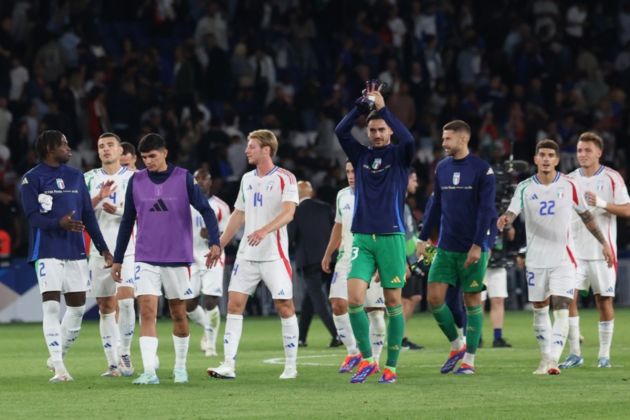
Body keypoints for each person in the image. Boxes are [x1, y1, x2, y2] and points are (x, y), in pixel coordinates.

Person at [111, 133, 221, 385]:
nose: (148, 161)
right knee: (147, 311)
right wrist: (118, 259)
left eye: (152, 156)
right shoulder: (136, 181)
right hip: (145, 257)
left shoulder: (183, 178)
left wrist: (215, 241)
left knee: (178, 313)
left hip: (177, 257)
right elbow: (127, 220)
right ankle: (149, 371)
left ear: (164, 153)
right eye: (144, 157)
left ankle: (180, 367)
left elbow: (206, 209)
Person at [497, 139, 614, 375]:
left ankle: (552, 360)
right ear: (536, 159)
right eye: (543, 155)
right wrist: (505, 219)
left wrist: (603, 243)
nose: (547, 159)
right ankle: (545, 358)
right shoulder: (525, 187)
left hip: (564, 258)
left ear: (557, 160)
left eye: (551, 155)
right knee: (540, 308)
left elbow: (587, 217)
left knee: (561, 305)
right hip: (536, 259)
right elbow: (512, 211)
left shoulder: (570, 185)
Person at [335, 84, 415, 384]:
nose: (378, 134)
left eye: (382, 129)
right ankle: (368, 358)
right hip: (363, 238)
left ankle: (391, 366)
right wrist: (362, 106)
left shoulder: (400, 155)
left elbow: (409, 137)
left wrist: (383, 110)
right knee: (354, 298)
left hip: (391, 237)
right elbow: (340, 131)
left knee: (393, 302)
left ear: (389, 131)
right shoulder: (360, 156)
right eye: (373, 130)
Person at [20, 130, 112, 382]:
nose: (69, 148)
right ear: (50, 148)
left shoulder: (75, 176)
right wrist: (57, 223)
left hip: (75, 251)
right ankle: (60, 368)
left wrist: (103, 247)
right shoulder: (32, 179)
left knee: (78, 308)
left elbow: (88, 215)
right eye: (64, 144)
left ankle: (55, 355)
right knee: (51, 307)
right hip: (47, 250)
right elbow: (32, 217)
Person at [207, 129, 300, 380]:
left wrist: (264, 230)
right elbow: (238, 214)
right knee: (235, 305)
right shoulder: (247, 179)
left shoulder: (285, 178)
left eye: (251, 146)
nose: (246, 150)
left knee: (284, 306)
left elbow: (289, 212)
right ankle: (228, 364)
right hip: (247, 255)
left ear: (266, 150)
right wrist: (220, 245)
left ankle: (290, 366)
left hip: (274, 255)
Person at [417, 120, 496, 375]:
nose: (443, 143)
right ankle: (457, 344)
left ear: (463, 140)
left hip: (472, 247)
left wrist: (477, 245)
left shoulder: (483, 170)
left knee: (472, 300)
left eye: (447, 138)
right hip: (446, 246)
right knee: (434, 299)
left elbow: (486, 211)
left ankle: (470, 360)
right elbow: (436, 205)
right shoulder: (441, 168)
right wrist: (422, 237)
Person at [560, 132, 630, 369]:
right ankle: (575, 353)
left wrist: (601, 203)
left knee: (604, 301)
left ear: (599, 152)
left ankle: (604, 356)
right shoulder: (569, 180)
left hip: (602, 252)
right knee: (568, 298)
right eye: (579, 150)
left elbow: (627, 210)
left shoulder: (612, 178)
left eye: (588, 150)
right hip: (574, 252)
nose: (582, 154)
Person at [322, 160, 387, 374]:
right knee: (338, 304)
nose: (351, 176)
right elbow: (338, 226)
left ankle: (374, 360)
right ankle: (353, 352)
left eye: (354, 172)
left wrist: (382, 261)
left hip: (371, 258)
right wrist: (328, 252)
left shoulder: (377, 194)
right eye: (348, 171)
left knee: (374, 313)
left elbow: (387, 230)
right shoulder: (342, 195)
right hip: (346, 258)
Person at [84, 132, 136, 376]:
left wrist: (118, 211)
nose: (105, 149)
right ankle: (113, 363)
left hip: (128, 248)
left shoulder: (135, 178)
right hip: (98, 249)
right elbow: (78, 212)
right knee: (105, 306)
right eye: (101, 146)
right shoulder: (89, 178)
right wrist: (98, 198)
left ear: (120, 150)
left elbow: (144, 213)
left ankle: (125, 353)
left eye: (110, 145)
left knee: (125, 302)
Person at [289, 180, 338, 347]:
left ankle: (337, 334)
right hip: (330, 259)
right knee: (310, 299)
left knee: (318, 299)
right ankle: (301, 337)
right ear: (311, 193)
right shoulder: (325, 208)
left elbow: (290, 237)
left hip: (309, 261)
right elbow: (336, 231)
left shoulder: (294, 211)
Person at [187, 168, 230, 357]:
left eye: (205, 179)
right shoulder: (185, 204)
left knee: (211, 301)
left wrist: (214, 235)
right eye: (198, 179)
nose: (201, 182)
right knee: (188, 304)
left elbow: (228, 234)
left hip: (213, 257)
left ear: (210, 182)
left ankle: (211, 345)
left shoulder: (221, 207)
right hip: (190, 258)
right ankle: (208, 328)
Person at [481, 224, 514, 348]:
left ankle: (497, 337)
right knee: (478, 302)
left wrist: (508, 225)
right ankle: (477, 336)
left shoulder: (502, 216)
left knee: (498, 300)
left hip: (498, 263)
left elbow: (511, 236)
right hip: (479, 262)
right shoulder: (478, 212)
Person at [401, 171, 423, 350]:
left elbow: (410, 235)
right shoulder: (398, 203)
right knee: (404, 300)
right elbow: (399, 235)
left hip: (412, 259)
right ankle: (400, 338)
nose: (416, 183)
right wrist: (404, 262)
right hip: (405, 260)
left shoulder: (405, 205)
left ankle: (399, 335)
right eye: (414, 179)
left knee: (414, 297)